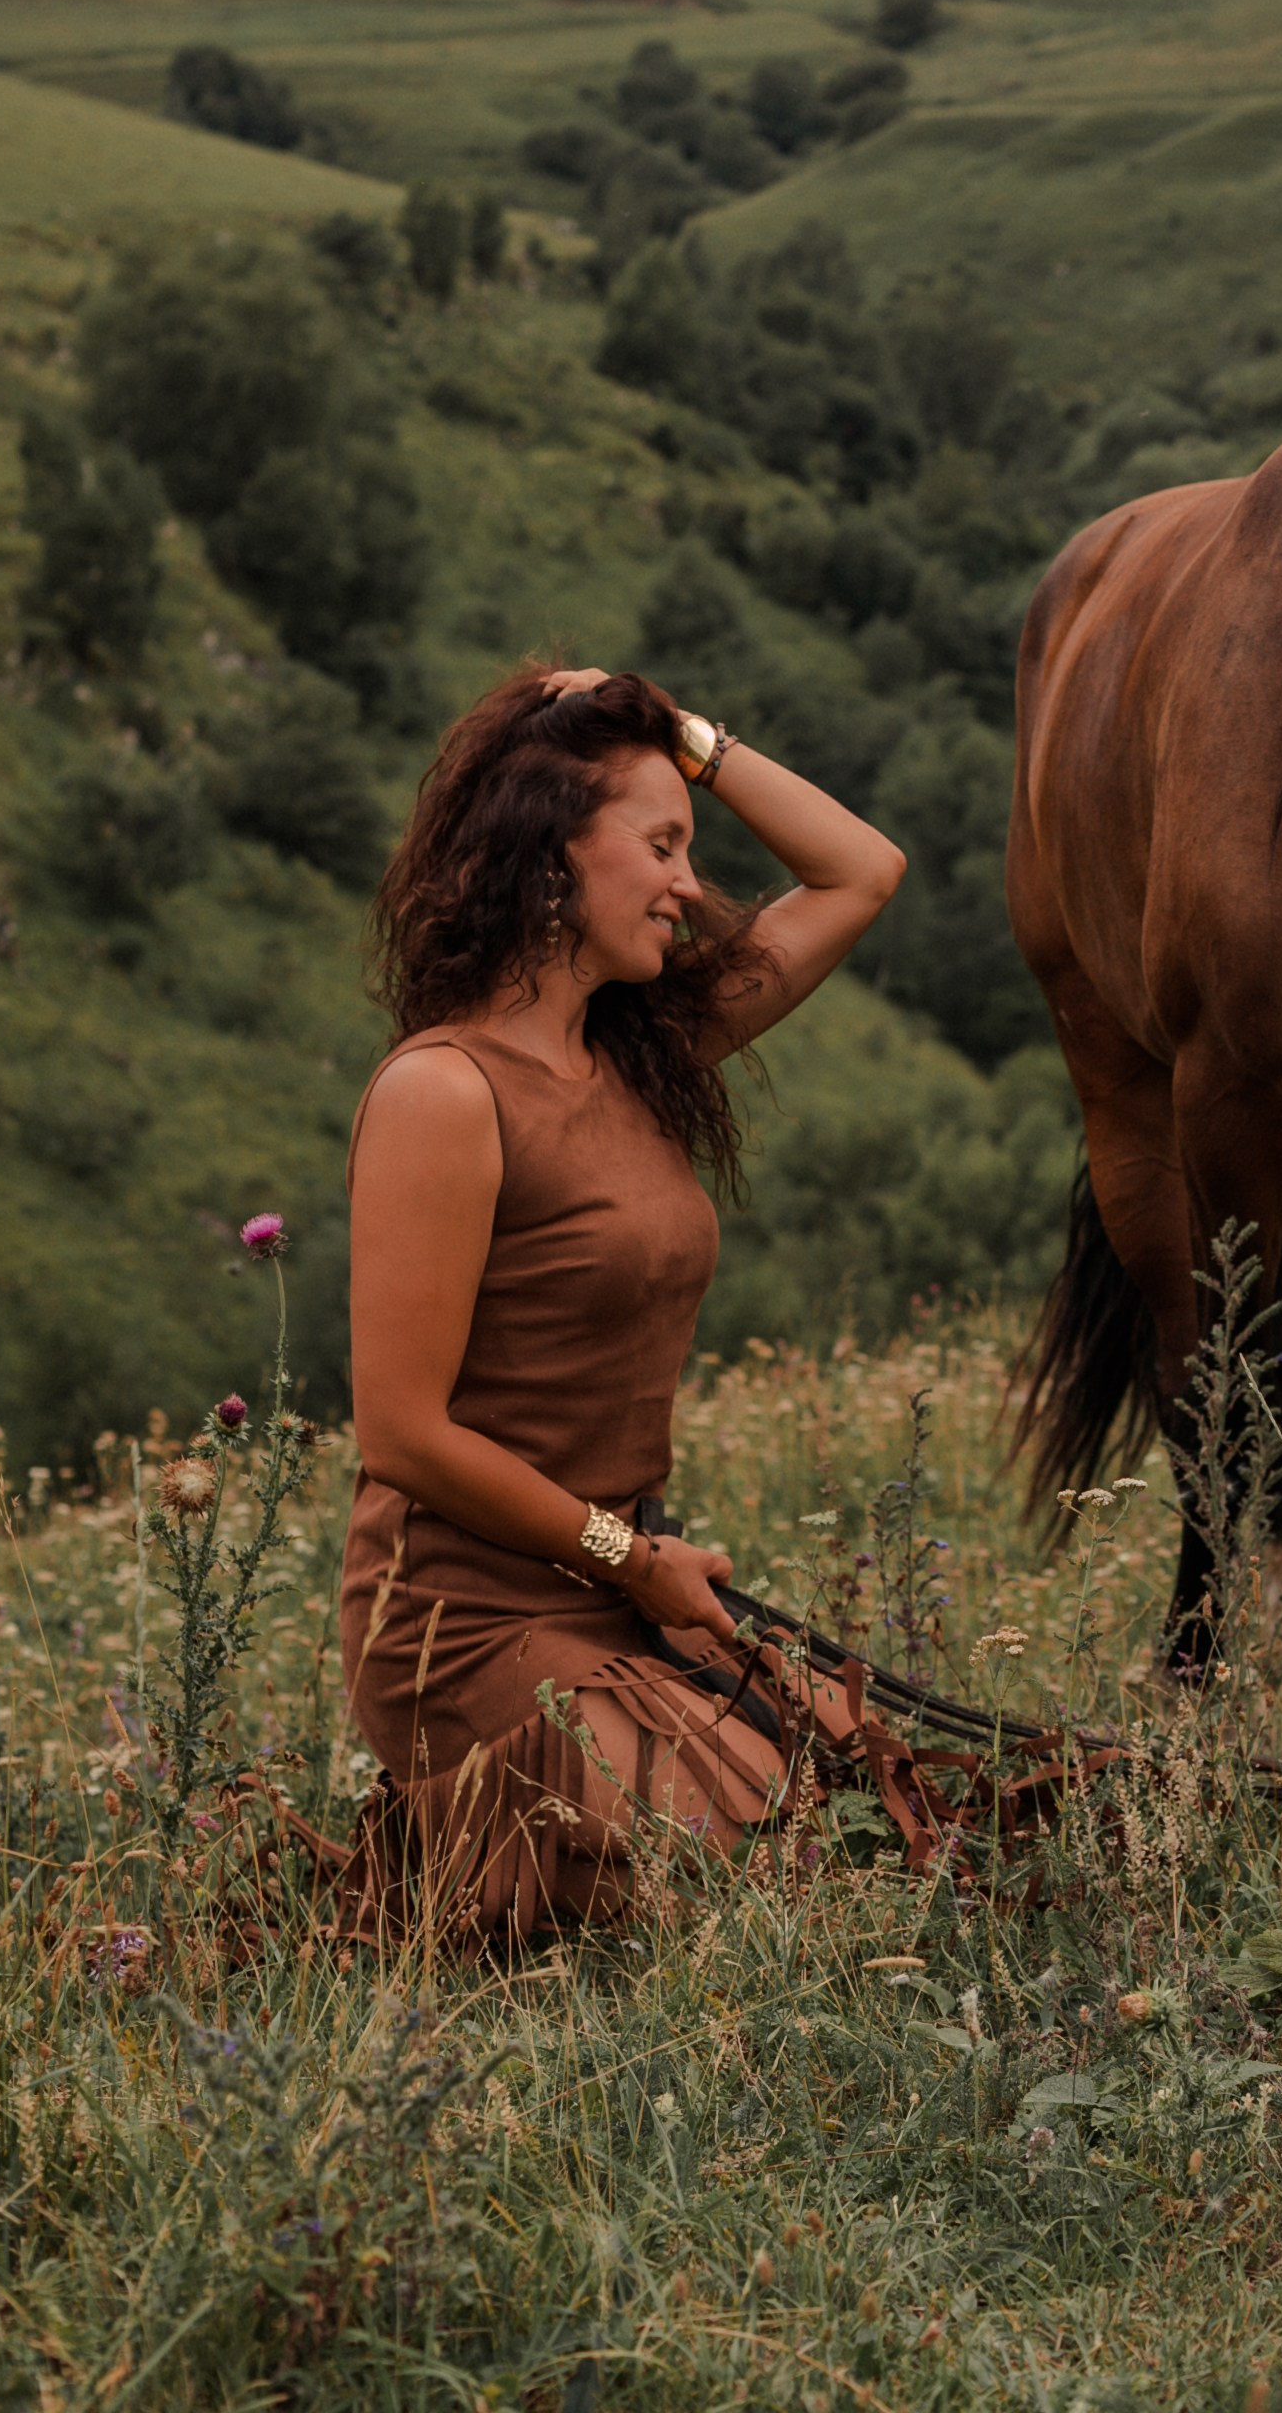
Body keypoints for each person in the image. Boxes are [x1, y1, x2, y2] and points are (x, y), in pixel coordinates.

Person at [338, 662, 905, 1939]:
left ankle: (509, 1854)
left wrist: (681, 736)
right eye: (658, 846)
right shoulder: (444, 1092)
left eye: (688, 846)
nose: (689, 886)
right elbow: (402, 1434)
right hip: (463, 1620)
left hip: (618, 1585)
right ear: (551, 863)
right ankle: (453, 1851)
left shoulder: (643, 1054)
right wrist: (629, 1556)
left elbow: (862, 870)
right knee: (756, 1883)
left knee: (858, 1808)